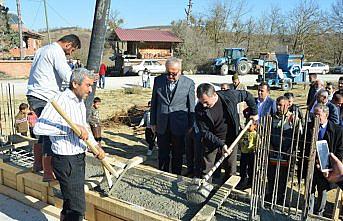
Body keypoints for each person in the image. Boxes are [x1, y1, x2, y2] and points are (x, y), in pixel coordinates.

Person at [34, 68, 106, 221]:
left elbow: (84, 127)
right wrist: (69, 129)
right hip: (65, 160)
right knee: (77, 207)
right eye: (87, 85)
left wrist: (95, 146)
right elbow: (38, 127)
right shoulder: (60, 100)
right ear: (75, 83)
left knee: (70, 202)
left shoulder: (80, 102)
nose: (90, 89)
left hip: (78, 157)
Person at [26, 34, 81, 181]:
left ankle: (38, 165)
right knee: (51, 132)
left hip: (35, 95)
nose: (70, 53)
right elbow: (67, 75)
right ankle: (48, 173)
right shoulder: (56, 52)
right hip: (44, 97)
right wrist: (82, 81)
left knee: (44, 132)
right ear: (68, 44)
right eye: (72, 50)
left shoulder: (43, 49)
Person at [195, 83, 258, 183]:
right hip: (211, 140)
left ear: (214, 95)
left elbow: (247, 95)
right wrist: (221, 144)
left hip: (231, 138)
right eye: (201, 102)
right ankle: (205, 189)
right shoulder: (199, 109)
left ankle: (228, 191)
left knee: (230, 168)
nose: (204, 105)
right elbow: (205, 132)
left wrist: (254, 112)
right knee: (207, 168)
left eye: (206, 102)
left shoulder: (229, 96)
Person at [150, 57, 195, 175]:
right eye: (168, 73)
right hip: (162, 123)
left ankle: (176, 175)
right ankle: (163, 173)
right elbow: (154, 103)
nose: (170, 76)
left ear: (180, 71)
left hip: (180, 124)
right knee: (163, 153)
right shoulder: (158, 81)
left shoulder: (189, 83)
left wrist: (191, 125)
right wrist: (153, 122)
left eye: (173, 74)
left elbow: (191, 107)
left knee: (177, 153)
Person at [306, 104, 343, 216]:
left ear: (326, 115)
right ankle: (309, 211)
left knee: (322, 189)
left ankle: (319, 212)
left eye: (318, 115)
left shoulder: (337, 130)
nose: (316, 117)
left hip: (327, 166)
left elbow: (340, 150)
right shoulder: (309, 127)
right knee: (309, 188)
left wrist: (332, 163)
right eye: (314, 115)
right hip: (311, 165)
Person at [266, 96, 296, 203]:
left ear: (288, 105)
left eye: (282, 105)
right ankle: (270, 193)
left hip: (286, 151)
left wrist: (291, 150)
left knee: (282, 176)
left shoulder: (293, 119)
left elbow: (298, 137)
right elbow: (267, 133)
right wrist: (269, 145)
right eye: (278, 105)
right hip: (273, 150)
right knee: (271, 174)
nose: (279, 107)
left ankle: (280, 196)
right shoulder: (272, 117)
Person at [236, 120, 257, 190]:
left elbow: (257, 143)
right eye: (247, 124)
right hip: (244, 152)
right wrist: (241, 143)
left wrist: (253, 148)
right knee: (242, 167)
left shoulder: (255, 134)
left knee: (251, 168)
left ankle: (250, 182)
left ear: (255, 126)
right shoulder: (244, 132)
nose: (248, 126)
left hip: (251, 154)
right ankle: (242, 179)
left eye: (250, 125)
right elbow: (240, 140)